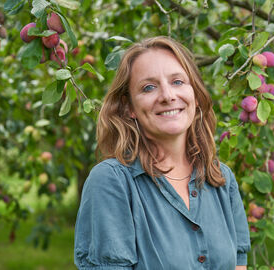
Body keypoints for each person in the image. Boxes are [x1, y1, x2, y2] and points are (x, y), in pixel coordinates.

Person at [74, 36, 250, 270]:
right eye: (149, 87)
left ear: (195, 95)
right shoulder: (112, 182)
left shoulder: (221, 179)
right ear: (129, 108)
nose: (167, 96)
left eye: (177, 82)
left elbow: (238, 264)